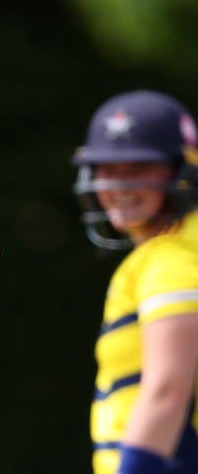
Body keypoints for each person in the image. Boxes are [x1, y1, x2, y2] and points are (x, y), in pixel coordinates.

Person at [72, 90, 198, 474]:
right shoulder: (170, 250)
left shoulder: (171, 257)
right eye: (107, 169)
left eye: (140, 167)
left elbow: (168, 389)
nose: (120, 185)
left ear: (184, 171)